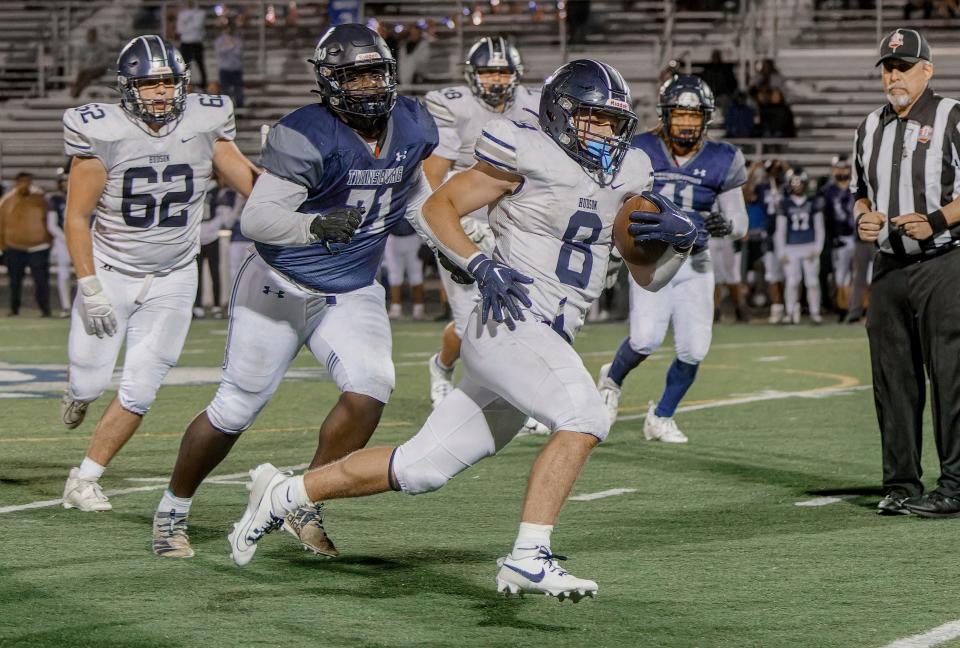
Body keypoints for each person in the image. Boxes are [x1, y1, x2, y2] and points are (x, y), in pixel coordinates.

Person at [225, 59, 697, 601]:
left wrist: (679, 242)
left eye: (614, 122)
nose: (606, 133)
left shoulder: (631, 170)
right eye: (593, 119)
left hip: (547, 335)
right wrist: (478, 262)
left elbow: (648, 276)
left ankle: (283, 493)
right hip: (511, 320)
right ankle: (528, 556)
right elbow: (438, 206)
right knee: (584, 414)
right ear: (561, 114)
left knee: (422, 467)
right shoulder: (525, 148)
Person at [151, 24, 439, 559]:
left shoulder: (413, 124)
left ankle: (302, 499)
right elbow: (257, 218)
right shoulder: (306, 133)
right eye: (356, 77)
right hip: (279, 283)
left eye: (377, 72)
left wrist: (444, 236)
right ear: (331, 82)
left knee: (371, 390)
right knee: (237, 407)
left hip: (352, 287)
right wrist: (314, 226)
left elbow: (414, 187)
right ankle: (172, 509)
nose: (370, 86)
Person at [59, 35, 258, 512]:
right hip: (111, 271)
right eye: (149, 84)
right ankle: (78, 394)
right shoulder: (101, 131)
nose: (160, 93)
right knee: (89, 381)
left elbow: (251, 182)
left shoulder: (205, 123)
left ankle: (84, 478)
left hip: (174, 275)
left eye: (168, 81)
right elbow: (75, 217)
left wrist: (291, 190)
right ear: (128, 88)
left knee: (142, 387)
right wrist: (89, 284)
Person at [596, 75, 748, 442]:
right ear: (665, 115)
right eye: (679, 115)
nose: (685, 123)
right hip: (651, 257)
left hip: (695, 260)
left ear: (706, 119)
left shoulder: (723, 157)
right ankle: (611, 379)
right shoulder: (639, 147)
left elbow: (740, 222)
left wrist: (725, 224)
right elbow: (613, 195)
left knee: (694, 349)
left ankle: (661, 416)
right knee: (645, 340)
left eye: (693, 116)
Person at [852, 29, 960, 517]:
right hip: (889, 267)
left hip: (944, 262)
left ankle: (956, 484)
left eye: (904, 66)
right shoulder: (869, 126)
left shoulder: (952, 116)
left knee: (951, 377)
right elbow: (859, 190)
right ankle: (901, 483)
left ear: (927, 70)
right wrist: (863, 216)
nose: (893, 75)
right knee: (892, 379)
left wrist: (937, 219)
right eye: (888, 67)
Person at [420, 37, 542, 428]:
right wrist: (442, 233)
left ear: (516, 75)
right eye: (488, 70)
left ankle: (514, 398)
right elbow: (433, 176)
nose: (495, 79)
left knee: (521, 310)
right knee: (470, 319)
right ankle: (443, 368)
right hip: (464, 217)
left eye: (502, 71)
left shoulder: (536, 103)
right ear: (472, 76)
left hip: (513, 216)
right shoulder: (451, 104)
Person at [774, 167, 824, 324]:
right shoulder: (784, 203)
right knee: (792, 281)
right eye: (794, 183)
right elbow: (780, 229)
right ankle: (789, 313)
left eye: (800, 182)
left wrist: (817, 249)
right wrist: (781, 251)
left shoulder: (813, 202)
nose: (797, 186)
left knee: (812, 282)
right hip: (791, 247)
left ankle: (815, 312)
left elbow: (819, 227)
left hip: (809, 245)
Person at [0, 172, 51, 317]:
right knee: (15, 282)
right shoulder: (7, 201)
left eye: (27, 181)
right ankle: (14, 308)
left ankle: (45, 309)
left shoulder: (40, 199)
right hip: (14, 247)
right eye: (22, 181)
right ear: (17, 183)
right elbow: (1, 224)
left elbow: (49, 220)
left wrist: (48, 241)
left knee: (41, 280)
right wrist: (3, 246)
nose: (25, 184)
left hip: (39, 246)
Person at [819, 154, 855, 318]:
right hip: (839, 239)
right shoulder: (828, 191)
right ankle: (843, 310)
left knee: (865, 275)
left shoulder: (857, 187)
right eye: (838, 167)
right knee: (841, 277)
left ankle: (862, 310)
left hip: (861, 239)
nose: (842, 170)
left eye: (844, 167)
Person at [193, 181, 225, 318]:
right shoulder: (194, 184)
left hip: (212, 235)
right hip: (197, 236)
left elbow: (221, 211)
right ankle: (197, 305)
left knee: (215, 272)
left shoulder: (216, 189)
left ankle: (217, 305)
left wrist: (214, 229)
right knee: (196, 274)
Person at [384, 220, 425, 320]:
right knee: (394, 275)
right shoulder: (393, 204)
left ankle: (418, 308)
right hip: (393, 238)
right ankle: (395, 308)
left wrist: (424, 241)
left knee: (416, 275)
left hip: (413, 238)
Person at [45, 168, 72, 317]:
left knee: (87, 273)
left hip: (86, 238)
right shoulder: (56, 200)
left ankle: (84, 305)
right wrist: (67, 238)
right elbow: (52, 225)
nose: (66, 184)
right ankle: (66, 306)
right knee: (64, 274)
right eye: (63, 181)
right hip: (63, 241)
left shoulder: (85, 195)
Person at [176, 1, 208, 88]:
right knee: (185, 66)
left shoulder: (201, 13)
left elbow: (197, 25)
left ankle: (203, 86)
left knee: (200, 65)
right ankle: (184, 85)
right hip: (185, 43)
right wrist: (190, 25)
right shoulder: (181, 14)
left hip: (196, 42)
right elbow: (179, 29)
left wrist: (186, 25)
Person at [71, 28, 110, 99]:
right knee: (80, 74)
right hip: (87, 69)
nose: (90, 36)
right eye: (89, 35)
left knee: (88, 75)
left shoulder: (102, 46)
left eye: (92, 35)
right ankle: (73, 90)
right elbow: (80, 60)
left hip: (99, 69)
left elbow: (104, 62)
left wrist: (93, 67)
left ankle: (77, 92)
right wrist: (84, 67)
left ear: (95, 35)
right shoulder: (83, 46)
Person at [214, 21, 244, 108]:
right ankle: (226, 108)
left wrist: (228, 47)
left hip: (236, 68)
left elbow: (238, 52)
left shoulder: (238, 39)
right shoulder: (219, 40)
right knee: (225, 90)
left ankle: (240, 106)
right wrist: (231, 46)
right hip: (224, 68)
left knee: (238, 89)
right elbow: (220, 52)